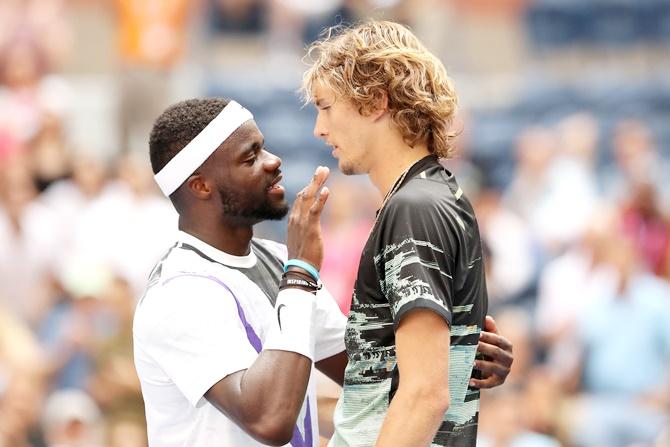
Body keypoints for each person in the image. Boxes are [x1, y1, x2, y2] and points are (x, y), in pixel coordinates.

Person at [133, 97, 512, 446]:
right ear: (201, 186)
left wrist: (459, 358)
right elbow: (269, 420)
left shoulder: (277, 258)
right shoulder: (178, 291)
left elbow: (368, 374)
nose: (273, 161)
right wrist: (300, 273)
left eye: (263, 146)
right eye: (250, 158)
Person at [301, 20, 510, 446]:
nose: (318, 129)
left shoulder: (413, 209)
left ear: (375, 101)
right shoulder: (437, 196)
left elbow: (424, 396)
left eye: (325, 107)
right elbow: (388, 387)